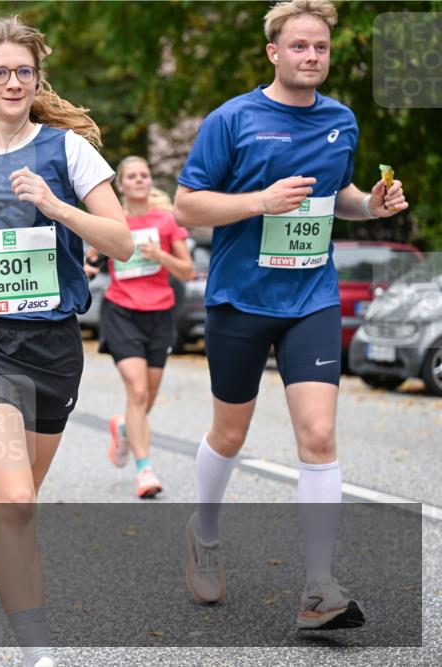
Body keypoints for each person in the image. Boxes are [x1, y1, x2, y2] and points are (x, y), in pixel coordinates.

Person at [173, 0, 407, 630]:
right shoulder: (233, 119)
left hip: (312, 298)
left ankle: (318, 589)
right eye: (299, 46)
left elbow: (340, 200)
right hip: (240, 299)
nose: (311, 57)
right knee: (230, 434)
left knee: (320, 437)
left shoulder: (342, 120)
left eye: (321, 48)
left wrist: (373, 204)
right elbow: (187, 207)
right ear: (274, 52)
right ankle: (207, 532)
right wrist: (259, 202)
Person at [0, 16, 132, 666]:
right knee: (13, 496)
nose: (13, 82)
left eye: (24, 71)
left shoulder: (66, 151)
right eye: (0, 72)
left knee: (18, 501)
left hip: (52, 346)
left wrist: (57, 205)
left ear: (36, 78)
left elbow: (122, 239)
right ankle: (40, 652)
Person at [87, 157, 193, 499]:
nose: (139, 180)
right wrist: (87, 269)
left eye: (144, 175)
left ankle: (122, 426)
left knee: (145, 397)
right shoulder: (111, 221)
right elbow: (91, 259)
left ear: (150, 182)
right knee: (137, 391)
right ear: (122, 185)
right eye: (131, 176)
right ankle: (145, 470)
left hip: (160, 314)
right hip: (121, 311)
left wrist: (159, 255)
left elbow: (187, 272)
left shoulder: (165, 221)